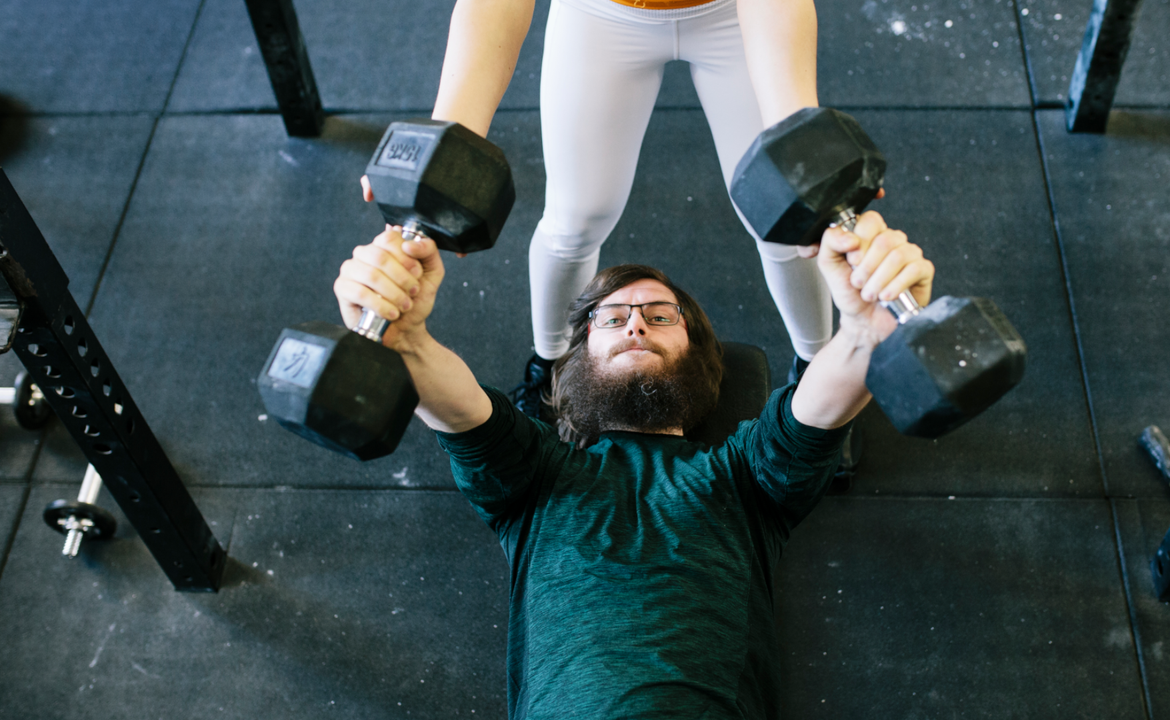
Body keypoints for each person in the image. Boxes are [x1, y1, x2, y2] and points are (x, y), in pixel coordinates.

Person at [333, 211, 933, 717]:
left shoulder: (743, 474)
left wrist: (866, 329)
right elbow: (461, 411)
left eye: (660, 315)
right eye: (611, 319)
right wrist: (406, 336)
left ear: (696, 355)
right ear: (578, 359)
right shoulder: (535, 476)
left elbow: (816, 410)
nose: (636, 322)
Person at [361, 0, 839, 422]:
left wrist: (797, 145)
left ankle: (821, 375)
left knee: (787, 219)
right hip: (603, 13)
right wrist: (445, 149)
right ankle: (551, 369)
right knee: (575, 220)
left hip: (733, 13)